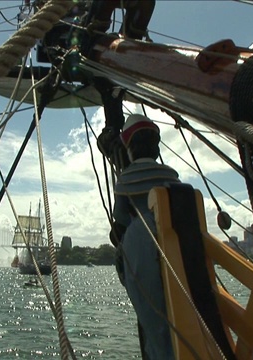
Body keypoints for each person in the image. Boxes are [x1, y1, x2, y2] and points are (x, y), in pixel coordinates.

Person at [110, 114, 179, 359]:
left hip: (142, 249)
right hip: (178, 244)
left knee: (154, 319)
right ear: (156, 147)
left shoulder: (125, 180)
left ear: (129, 149)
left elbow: (120, 220)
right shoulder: (171, 175)